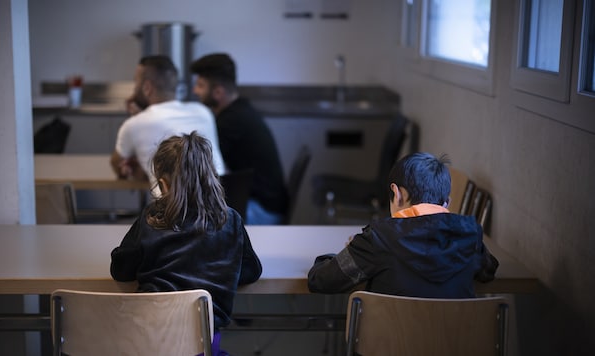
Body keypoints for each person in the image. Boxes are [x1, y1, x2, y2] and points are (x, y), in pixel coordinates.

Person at [110, 132, 262, 355]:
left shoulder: (151, 218)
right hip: (203, 345)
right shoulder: (230, 221)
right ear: (212, 176)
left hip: (150, 342)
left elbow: (121, 271)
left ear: (163, 184)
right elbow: (251, 272)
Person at [307, 152, 498, 298]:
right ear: (446, 203)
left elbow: (321, 281)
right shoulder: (469, 235)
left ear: (397, 194)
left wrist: (350, 252)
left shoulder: (378, 238)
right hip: (455, 346)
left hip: (388, 347)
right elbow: (488, 271)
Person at [191, 53, 289, 224]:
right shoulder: (240, 111)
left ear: (218, 92)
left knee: (194, 219)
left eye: (200, 85)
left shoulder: (230, 122)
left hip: (260, 210)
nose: (195, 91)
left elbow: (203, 164)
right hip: (268, 205)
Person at [110, 55, 226, 196]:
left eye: (136, 83)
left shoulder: (134, 125)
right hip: (220, 208)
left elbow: (117, 165)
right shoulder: (203, 112)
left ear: (147, 87)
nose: (134, 89)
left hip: (173, 213)